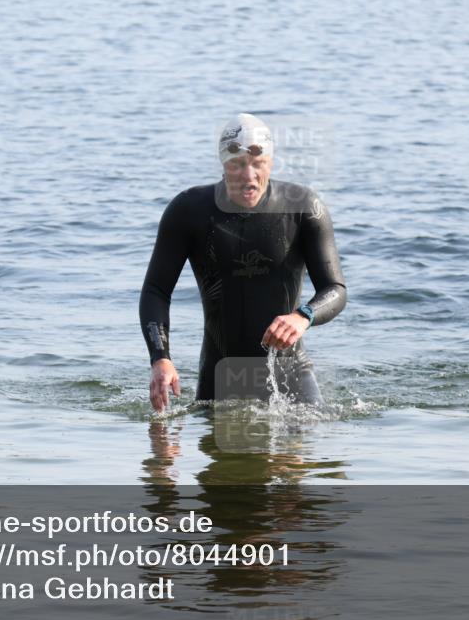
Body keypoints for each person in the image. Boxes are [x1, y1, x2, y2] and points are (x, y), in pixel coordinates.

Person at [139, 113, 346, 412]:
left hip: (291, 374)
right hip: (219, 375)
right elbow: (157, 290)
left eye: (257, 164)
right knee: (173, 450)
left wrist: (303, 316)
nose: (248, 176)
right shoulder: (189, 210)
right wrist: (160, 358)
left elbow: (335, 288)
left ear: (271, 162)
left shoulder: (304, 208)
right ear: (223, 164)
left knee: (299, 450)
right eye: (237, 165)